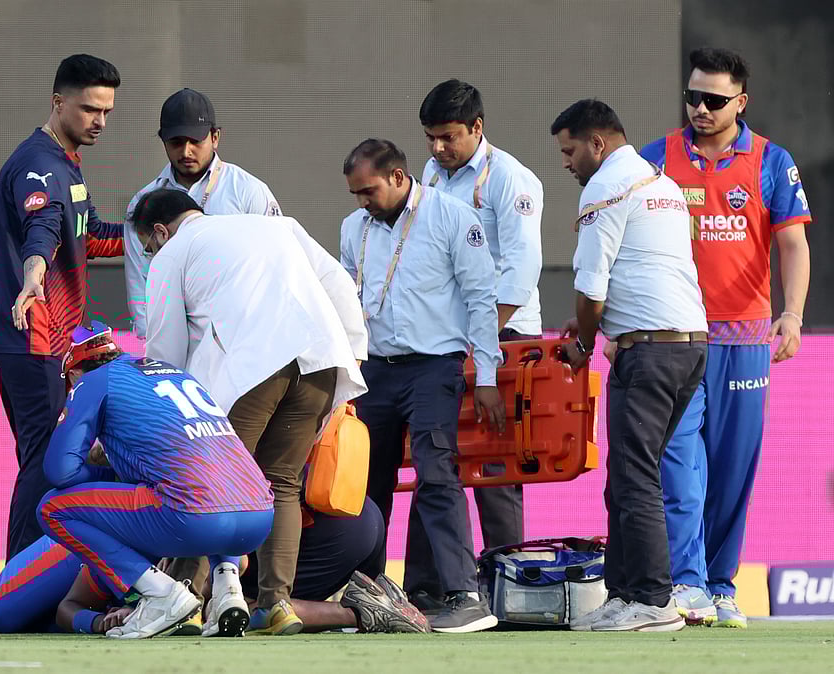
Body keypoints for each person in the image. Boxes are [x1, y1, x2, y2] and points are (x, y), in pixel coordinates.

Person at [134, 189, 368, 635]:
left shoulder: (172, 253)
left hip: (252, 368)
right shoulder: (276, 225)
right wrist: (354, 353)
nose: (150, 255)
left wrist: (169, 414)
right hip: (321, 361)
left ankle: (180, 599)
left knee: (208, 483)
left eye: (148, 246)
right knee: (281, 483)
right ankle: (275, 605)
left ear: (160, 231)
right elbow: (339, 283)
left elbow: (163, 350)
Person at [640, 47, 812, 629]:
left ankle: (720, 584)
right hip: (674, 337)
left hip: (745, 341)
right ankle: (686, 584)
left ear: (742, 102)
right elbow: (622, 238)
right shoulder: (655, 158)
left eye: (714, 100)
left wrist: (791, 316)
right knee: (680, 466)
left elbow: (792, 244)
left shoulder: (770, 160)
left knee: (732, 467)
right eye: (692, 97)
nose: (700, 109)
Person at [0, 499, 427, 637]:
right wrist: (98, 626)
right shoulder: (146, 544)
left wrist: (356, 614)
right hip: (78, 547)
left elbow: (266, 616)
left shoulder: (223, 558)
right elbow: (71, 605)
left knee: (225, 626)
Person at [552, 99, 706, 633]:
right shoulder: (662, 185)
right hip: (688, 345)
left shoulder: (604, 187)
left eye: (570, 151)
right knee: (629, 478)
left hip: (649, 351)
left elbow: (591, 287)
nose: (567, 163)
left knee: (635, 479)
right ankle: (623, 595)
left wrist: (586, 342)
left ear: (598, 144)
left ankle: (653, 601)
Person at [339, 138, 504, 634]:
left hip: (434, 367)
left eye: (367, 190)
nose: (361, 201)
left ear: (396, 177)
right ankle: (367, 596)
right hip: (375, 372)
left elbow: (481, 298)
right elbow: (346, 302)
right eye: (354, 193)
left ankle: (464, 593)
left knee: (437, 475)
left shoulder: (451, 217)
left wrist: (488, 375)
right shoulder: (354, 228)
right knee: (364, 486)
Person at [38, 322, 277, 639]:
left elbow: (60, 471)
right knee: (211, 481)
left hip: (193, 518)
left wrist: (107, 475)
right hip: (258, 518)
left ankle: (161, 593)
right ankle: (227, 588)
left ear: (74, 372)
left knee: (52, 507)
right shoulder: (173, 372)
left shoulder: (92, 382)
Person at [406, 79, 544, 610]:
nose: (438, 148)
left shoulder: (512, 180)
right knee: (436, 461)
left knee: (495, 468)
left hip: (504, 335)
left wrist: (481, 342)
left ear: (478, 128)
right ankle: (434, 586)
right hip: (448, 338)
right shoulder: (431, 175)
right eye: (430, 138)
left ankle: (510, 592)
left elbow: (521, 268)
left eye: (448, 137)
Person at [0, 54, 125, 561]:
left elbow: (87, 238)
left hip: (51, 337)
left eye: (107, 111)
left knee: (48, 456)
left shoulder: (65, 163)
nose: (100, 122)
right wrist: (33, 276)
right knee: (44, 458)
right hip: (31, 335)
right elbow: (41, 232)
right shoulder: (37, 165)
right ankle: (18, 578)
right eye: (90, 109)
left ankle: (33, 574)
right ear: (57, 102)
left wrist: (162, 233)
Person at [123, 88, 283, 337]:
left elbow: (278, 261)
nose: (185, 152)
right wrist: (149, 343)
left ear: (215, 137)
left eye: (195, 141)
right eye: (176, 142)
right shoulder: (144, 203)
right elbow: (139, 281)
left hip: (241, 334)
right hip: (174, 336)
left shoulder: (248, 191)